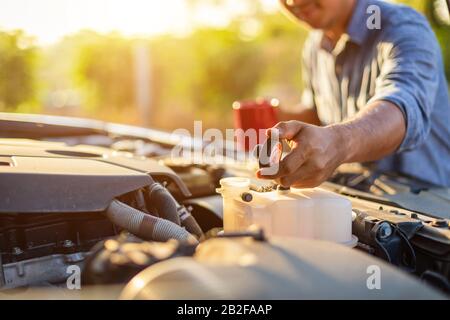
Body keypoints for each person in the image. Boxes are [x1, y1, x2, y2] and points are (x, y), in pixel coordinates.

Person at [258, 0, 450, 188]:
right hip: (362, 196)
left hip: (429, 204)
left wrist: (338, 142)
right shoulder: (315, 44)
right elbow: (318, 114)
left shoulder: (402, 27)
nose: (293, 2)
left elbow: (402, 109)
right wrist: (275, 118)